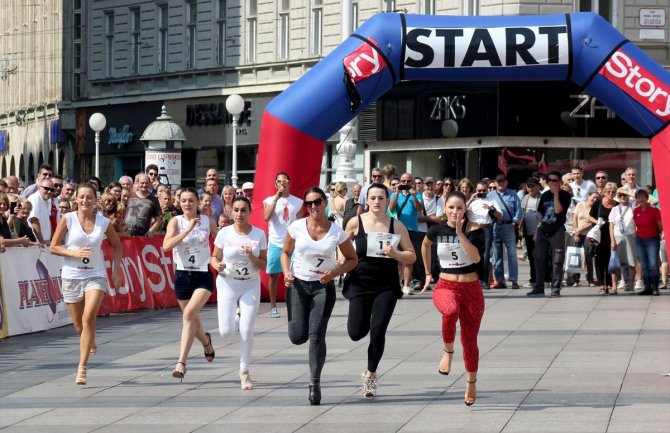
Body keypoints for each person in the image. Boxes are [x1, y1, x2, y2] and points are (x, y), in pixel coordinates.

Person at [281, 187, 357, 405]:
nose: (313, 206)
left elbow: (352, 260)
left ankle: (315, 383)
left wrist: (334, 272)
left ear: (325, 203)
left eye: (317, 202)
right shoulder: (296, 227)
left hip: (323, 288)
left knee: (316, 336)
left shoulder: (337, 232)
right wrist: (287, 271)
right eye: (309, 203)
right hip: (298, 285)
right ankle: (300, 334)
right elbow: (286, 253)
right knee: (297, 337)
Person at [343, 183, 415, 397]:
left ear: (387, 200)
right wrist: (340, 261)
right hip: (360, 282)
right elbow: (342, 247)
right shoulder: (355, 223)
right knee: (356, 333)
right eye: (372, 197)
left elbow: (411, 255)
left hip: (386, 284)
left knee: (378, 330)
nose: (376, 201)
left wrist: (396, 254)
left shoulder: (396, 225)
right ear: (366, 199)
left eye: (380, 198)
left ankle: (370, 374)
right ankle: (364, 326)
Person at [49, 183, 122, 385]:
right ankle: (89, 339)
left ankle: (82, 368)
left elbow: (117, 245)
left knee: (89, 317)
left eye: (89, 197)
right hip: (71, 275)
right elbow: (53, 247)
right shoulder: (68, 219)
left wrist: (115, 271)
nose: (85, 201)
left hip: (95, 275)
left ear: (95, 199)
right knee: (79, 325)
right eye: (81, 197)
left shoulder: (104, 222)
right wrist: (74, 253)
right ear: (76, 199)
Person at [420, 191, 486, 406]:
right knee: (449, 311)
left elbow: (476, 257)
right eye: (451, 208)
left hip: (471, 289)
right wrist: (428, 273)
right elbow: (425, 244)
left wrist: (460, 233)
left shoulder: (474, 230)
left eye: (459, 208)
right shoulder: (437, 230)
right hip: (446, 286)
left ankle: (471, 382)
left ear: (465, 209)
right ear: (444, 209)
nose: (455, 212)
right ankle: (448, 351)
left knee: (470, 340)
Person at [211, 196, 267, 390]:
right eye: (236, 210)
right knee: (226, 332)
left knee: (247, 329)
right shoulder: (224, 233)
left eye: (243, 210)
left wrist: (251, 255)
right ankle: (236, 317)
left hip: (250, 284)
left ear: (250, 212)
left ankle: (244, 370)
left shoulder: (258, 234)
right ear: (230, 212)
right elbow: (214, 257)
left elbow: (264, 264)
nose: (239, 214)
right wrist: (217, 265)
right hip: (228, 283)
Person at [162, 187, 219, 381]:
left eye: (191, 200)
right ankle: (206, 342)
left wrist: (218, 260)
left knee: (188, 315)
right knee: (192, 319)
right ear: (179, 203)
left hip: (202, 276)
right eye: (184, 201)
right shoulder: (175, 222)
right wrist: (187, 230)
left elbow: (220, 244)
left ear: (198, 203)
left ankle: (181, 363)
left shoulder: (208, 222)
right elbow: (166, 246)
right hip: (182, 275)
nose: (187, 204)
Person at [263, 172, 303, 318]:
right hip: (275, 242)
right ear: (275, 184)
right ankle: (273, 307)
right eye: (279, 181)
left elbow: (300, 223)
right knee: (274, 276)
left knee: (295, 276)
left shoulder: (297, 202)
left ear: (289, 183)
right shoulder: (269, 200)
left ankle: (295, 305)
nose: (282, 183)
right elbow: (266, 217)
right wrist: (276, 198)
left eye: (285, 181)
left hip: (292, 244)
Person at [527, 171, 572, 297]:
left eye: (555, 180)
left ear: (560, 182)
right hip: (543, 229)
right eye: (550, 180)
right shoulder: (545, 195)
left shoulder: (565, 195)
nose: (553, 182)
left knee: (557, 260)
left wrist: (556, 193)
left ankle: (555, 288)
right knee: (539, 258)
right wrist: (537, 230)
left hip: (557, 229)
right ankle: (539, 287)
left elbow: (558, 210)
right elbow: (540, 213)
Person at [389, 172, 424, 295]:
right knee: (397, 258)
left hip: (412, 230)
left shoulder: (418, 194)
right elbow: (391, 209)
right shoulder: (394, 194)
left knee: (410, 258)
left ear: (412, 182)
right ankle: (397, 283)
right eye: (403, 181)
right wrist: (397, 193)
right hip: (397, 230)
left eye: (408, 181)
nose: (405, 183)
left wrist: (414, 196)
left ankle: (406, 285)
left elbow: (419, 209)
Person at [488, 175, 522, 289]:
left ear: (506, 183)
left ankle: (514, 280)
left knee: (512, 253)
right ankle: (500, 280)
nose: (500, 184)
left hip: (509, 226)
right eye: (498, 182)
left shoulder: (513, 194)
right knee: (496, 254)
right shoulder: (490, 195)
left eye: (502, 182)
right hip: (495, 226)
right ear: (495, 183)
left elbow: (519, 210)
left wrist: (515, 222)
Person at [632, 189, 663, 296]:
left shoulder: (654, 210)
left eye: (643, 197)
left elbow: (660, 225)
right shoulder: (636, 210)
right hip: (640, 240)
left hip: (652, 239)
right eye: (638, 197)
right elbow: (635, 225)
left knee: (653, 264)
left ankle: (655, 288)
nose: (641, 199)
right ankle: (647, 288)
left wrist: (659, 235)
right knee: (644, 265)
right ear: (636, 199)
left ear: (647, 198)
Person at [590, 182, 618, 294]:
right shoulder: (598, 203)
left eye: (613, 192)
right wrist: (597, 222)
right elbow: (590, 216)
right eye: (609, 191)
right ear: (604, 192)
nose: (611, 194)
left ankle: (610, 284)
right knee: (599, 260)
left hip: (612, 235)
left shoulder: (617, 204)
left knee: (610, 259)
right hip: (599, 235)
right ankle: (602, 285)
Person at [609, 188, 636, 294]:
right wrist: (612, 240)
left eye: (624, 195)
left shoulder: (632, 207)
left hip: (630, 236)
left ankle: (631, 286)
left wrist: (627, 192)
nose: (623, 197)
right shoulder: (614, 209)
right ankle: (614, 286)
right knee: (615, 262)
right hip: (617, 236)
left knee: (631, 262)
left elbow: (638, 198)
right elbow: (611, 225)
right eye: (620, 196)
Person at [571, 191, 599, 287]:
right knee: (576, 257)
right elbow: (574, 218)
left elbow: (592, 222)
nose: (594, 200)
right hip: (577, 234)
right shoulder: (580, 205)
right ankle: (576, 280)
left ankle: (590, 279)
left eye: (596, 198)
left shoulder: (595, 208)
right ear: (589, 196)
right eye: (593, 197)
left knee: (588, 258)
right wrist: (576, 232)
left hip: (588, 235)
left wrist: (580, 230)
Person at [519, 178, 542, 288]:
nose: (530, 188)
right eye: (528, 186)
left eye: (533, 186)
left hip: (540, 232)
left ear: (538, 186)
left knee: (540, 257)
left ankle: (544, 279)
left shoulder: (542, 198)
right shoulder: (525, 198)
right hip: (528, 233)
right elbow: (522, 214)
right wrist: (520, 226)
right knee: (532, 257)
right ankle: (533, 279)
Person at [28, 178, 57, 244]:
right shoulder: (34, 198)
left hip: (46, 242)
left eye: (52, 190)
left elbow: (48, 221)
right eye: (46, 188)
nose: (49, 191)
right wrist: (41, 241)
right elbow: (34, 220)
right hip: (37, 242)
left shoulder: (48, 200)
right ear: (39, 188)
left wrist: (52, 239)